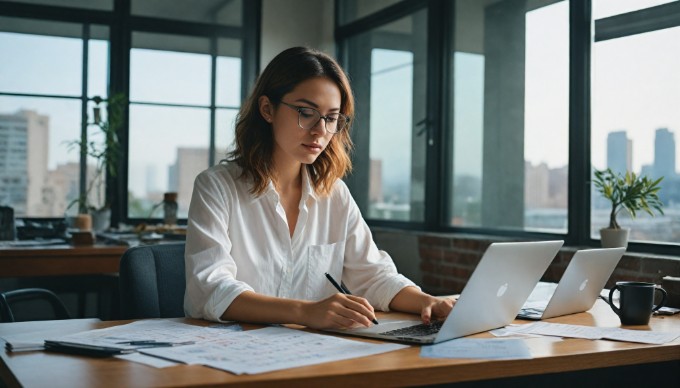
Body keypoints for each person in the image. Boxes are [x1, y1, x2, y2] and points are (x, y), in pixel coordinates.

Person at [184, 46, 453, 329]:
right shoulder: (216, 187)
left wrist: (427, 301)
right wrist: (305, 312)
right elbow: (210, 289)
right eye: (306, 112)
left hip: (316, 354)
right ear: (267, 109)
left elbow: (373, 275)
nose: (320, 130)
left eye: (331, 117)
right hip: (233, 355)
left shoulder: (334, 194)